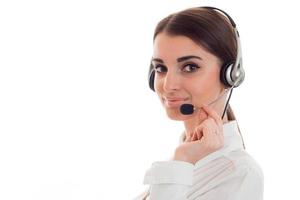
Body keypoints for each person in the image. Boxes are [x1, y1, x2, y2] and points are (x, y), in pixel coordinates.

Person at [134, 6, 263, 200]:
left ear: (230, 76)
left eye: (190, 67)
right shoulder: (188, 155)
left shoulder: (240, 173)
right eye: (160, 68)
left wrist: (182, 161)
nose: (168, 85)